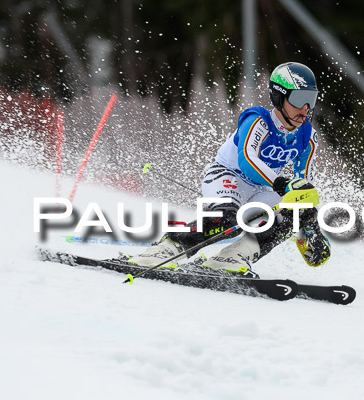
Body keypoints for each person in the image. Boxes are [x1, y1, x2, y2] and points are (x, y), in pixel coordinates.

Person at [130, 62, 331, 276]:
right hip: (227, 176)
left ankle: (234, 257)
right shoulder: (258, 120)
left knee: (292, 215)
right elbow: (246, 159)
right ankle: (168, 248)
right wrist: (282, 183)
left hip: (260, 191)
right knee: (226, 218)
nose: (305, 109)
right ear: (279, 97)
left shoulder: (307, 136)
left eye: (311, 100)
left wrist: (309, 227)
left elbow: (302, 188)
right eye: (299, 100)